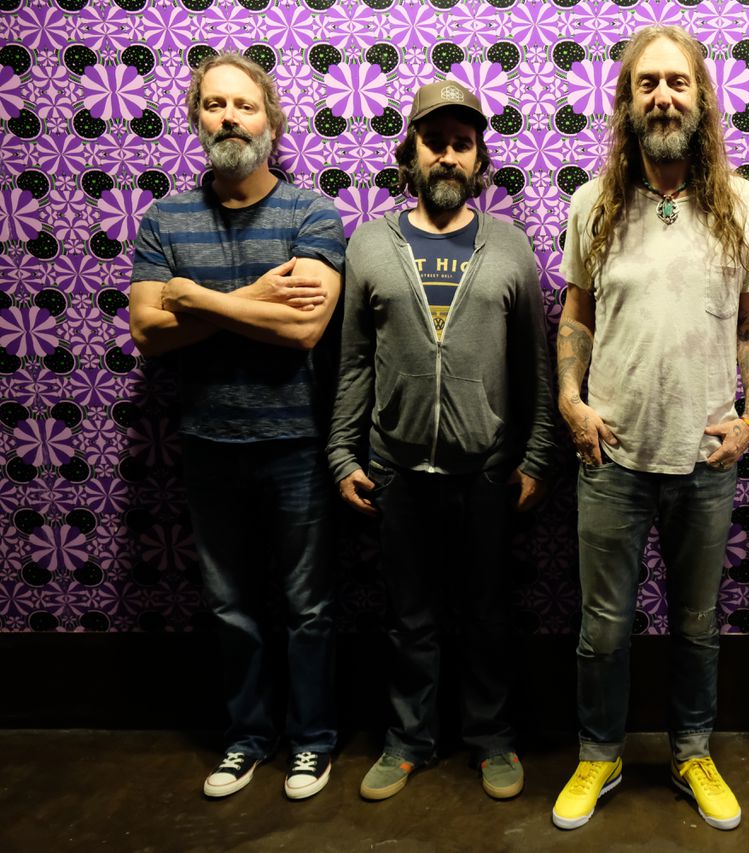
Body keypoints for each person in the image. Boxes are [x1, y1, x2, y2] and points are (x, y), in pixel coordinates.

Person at [550, 24, 749, 832]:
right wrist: (571, 399)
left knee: (697, 623)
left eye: (677, 82)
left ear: (701, 97)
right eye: (647, 83)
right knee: (604, 627)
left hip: (706, 453)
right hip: (611, 450)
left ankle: (691, 751)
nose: (663, 96)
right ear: (626, 100)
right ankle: (599, 753)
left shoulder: (742, 205)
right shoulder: (594, 204)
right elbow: (576, 314)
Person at [326, 81, 558, 802]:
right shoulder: (371, 244)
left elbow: (535, 365)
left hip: (486, 470)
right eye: (435, 143)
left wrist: (537, 456)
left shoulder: (509, 245)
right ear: (412, 154)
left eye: (462, 144)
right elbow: (353, 361)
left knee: (488, 614)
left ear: (479, 158)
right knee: (409, 618)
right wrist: (342, 453)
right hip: (396, 468)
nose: (448, 156)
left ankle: (492, 739)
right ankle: (408, 741)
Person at [128, 52, 345, 800]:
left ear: (270, 123)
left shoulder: (312, 213)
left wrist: (197, 298)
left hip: (296, 444)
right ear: (197, 119)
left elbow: (304, 328)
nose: (229, 118)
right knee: (230, 607)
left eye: (244, 106)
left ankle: (312, 742)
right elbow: (147, 333)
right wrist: (253, 298)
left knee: (309, 608)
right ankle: (247, 738)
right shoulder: (164, 219)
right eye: (215, 105)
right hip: (207, 443)